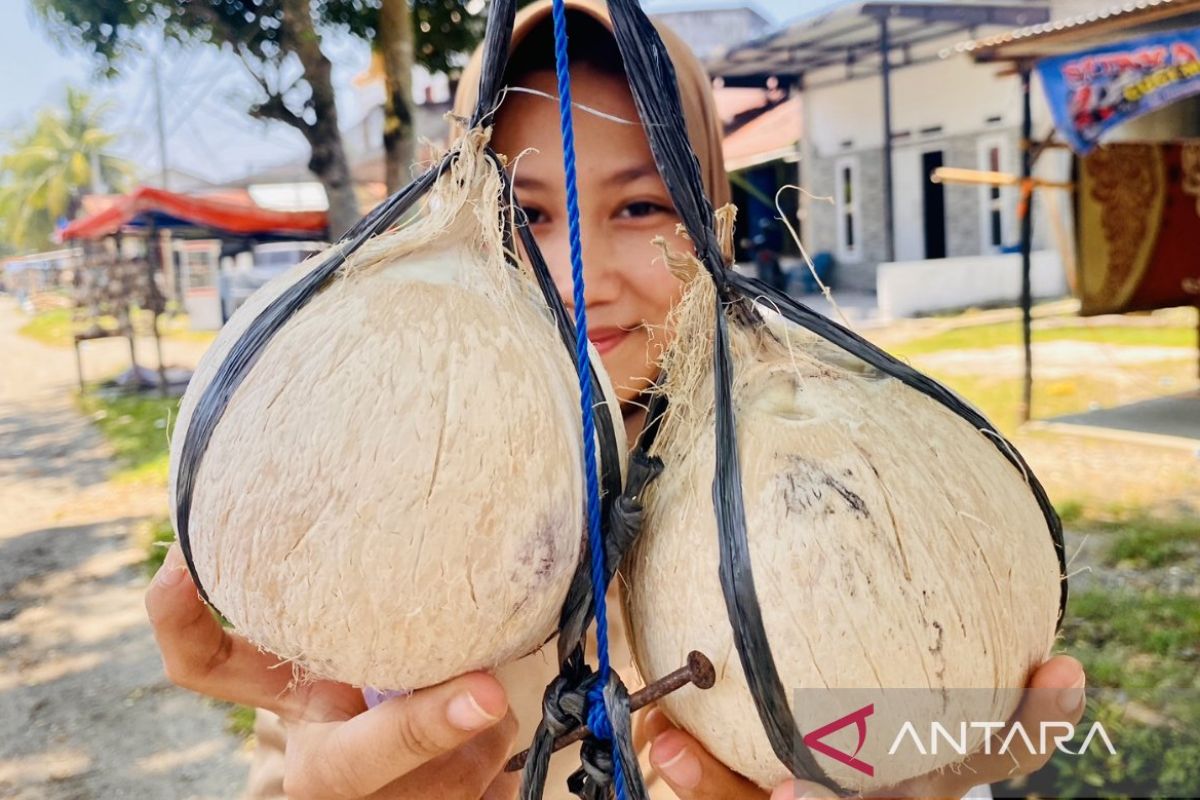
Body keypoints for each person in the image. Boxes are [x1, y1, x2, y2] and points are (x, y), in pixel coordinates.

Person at [145, 2, 1088, 798]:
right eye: (522, 214)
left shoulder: (834, 493)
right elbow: (305, 765)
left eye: (639, 206)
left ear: (711, 214)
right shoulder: (378, 518)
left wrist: (922, 769)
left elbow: (903, 704)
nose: (577, 275)